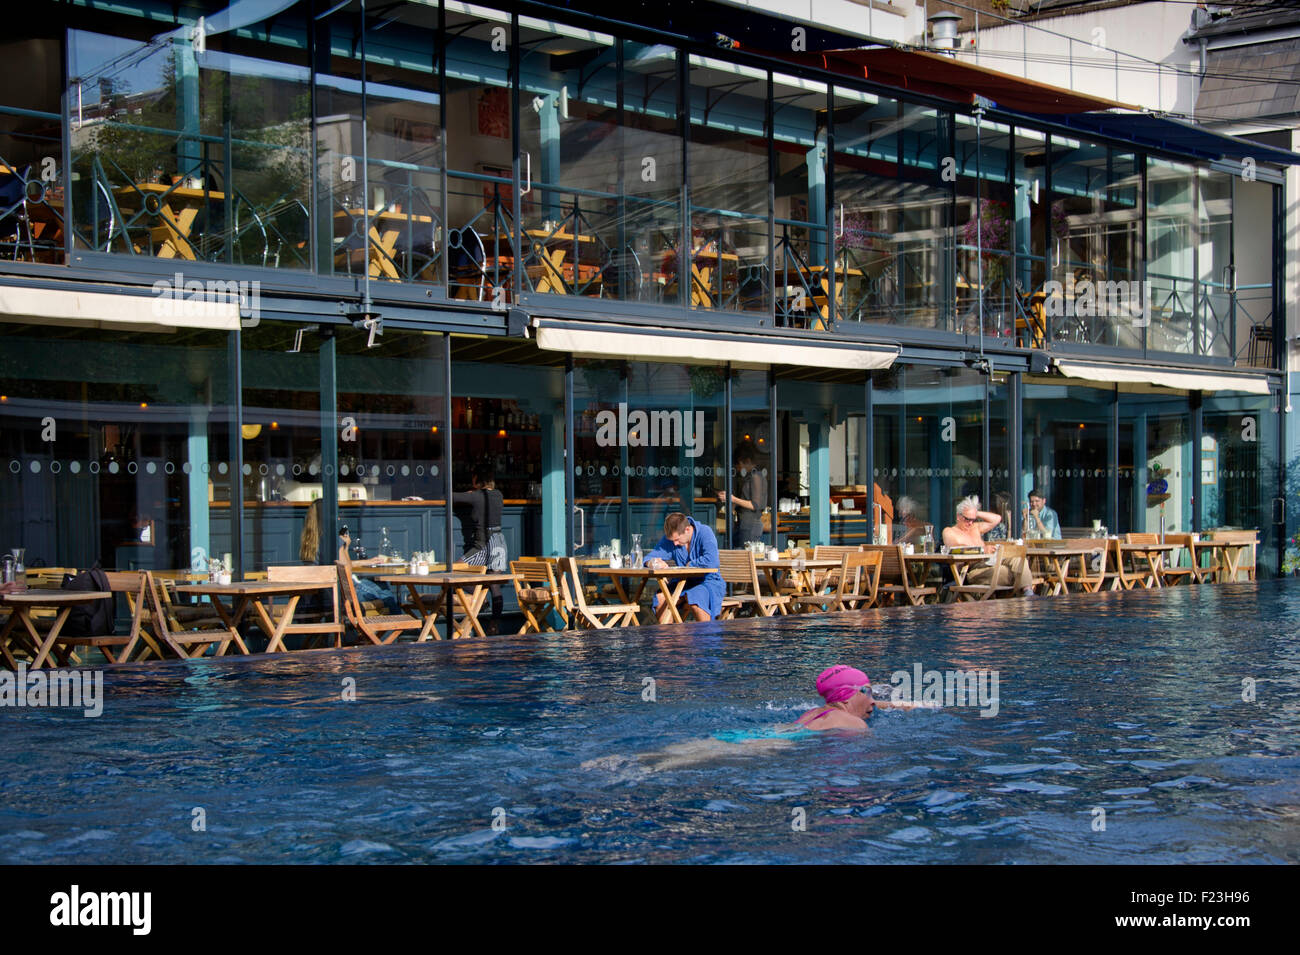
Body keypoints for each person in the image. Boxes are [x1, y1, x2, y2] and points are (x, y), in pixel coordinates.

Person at [299, 499, 401, 614]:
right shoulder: (333, 540)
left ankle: (397, 625)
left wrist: (363, 562)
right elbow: (346, 570)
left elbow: (335, 564)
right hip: (343, 595)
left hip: (323, 594)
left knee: (380, 586)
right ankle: (400, 625)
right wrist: (345, 547)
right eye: (335, 514)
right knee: (384, 591)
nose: (338, 518)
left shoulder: (309, 542)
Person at [942, 494, 1035, 597]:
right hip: (971, 570)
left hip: (989, 561)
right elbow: (956, 547)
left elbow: (997, 519)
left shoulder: (975, 527)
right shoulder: (950, 531)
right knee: (1006, 571)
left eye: (973, 519)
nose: (970, 523)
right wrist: (982, 550)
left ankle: (1028, 592)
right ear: (958, 517)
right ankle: (1024, 595)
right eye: (967, 519)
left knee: (1020, 560)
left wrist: (975, 512)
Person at [644, 511, 725, 622]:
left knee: (696, 597)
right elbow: (649, 557)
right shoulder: (672, 539)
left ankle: (707, 637)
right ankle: (670, 638)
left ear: (687, 529)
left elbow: (712, 561)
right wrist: (653, 562)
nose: (675, 544)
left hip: (708, 582)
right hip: (683, 583)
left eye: (677, 539)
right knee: (660, 598)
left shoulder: (704, 532)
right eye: (672, 541)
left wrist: (690, 564)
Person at [452, 473, 508, 634]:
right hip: (498, 542)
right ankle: (494, 624)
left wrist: (469, 494)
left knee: (455, 571)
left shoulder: (476, 496)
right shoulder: (499, 494)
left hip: (482, 544)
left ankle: (482, 601)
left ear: (477, 482)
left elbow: (451, 496)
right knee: (495, 586)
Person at [718, 441, 767, 547]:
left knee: (744, 556)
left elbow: (755, 505)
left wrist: (733, 499)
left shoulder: (756, 476)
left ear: (748, 461)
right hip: (744, 523)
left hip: (751, 525)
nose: (738, 468)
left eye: (739, 465)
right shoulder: (749, 477)